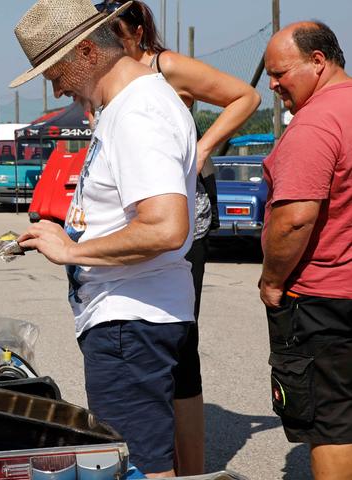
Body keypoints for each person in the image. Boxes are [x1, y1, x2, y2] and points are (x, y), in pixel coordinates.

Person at [11, 0, 196, 476]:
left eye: (55, 74)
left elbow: (165, 226)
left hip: (128, 321)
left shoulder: (138, 112)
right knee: (144, 455)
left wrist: (72, 250)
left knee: (138, 465)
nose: (57, 88)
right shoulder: (128, 106)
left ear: (88, 51)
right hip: (132, 317)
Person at [100, 0, 262, 474]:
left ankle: (190, 469)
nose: (104, 47)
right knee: (135, 333)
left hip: (184, 217)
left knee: (179, 343)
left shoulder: (163, 66)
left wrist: (202, 147)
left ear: (134, 32)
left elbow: (245, 97)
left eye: (112, 35)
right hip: (138, 216)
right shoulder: (110, 80)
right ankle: (149, 456)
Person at [260, 21, 352, 480]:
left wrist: (272, 280)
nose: (274, 85)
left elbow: (295, 217)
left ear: (318, 62)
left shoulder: (316, 122)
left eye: (280, 74)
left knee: (332, 424)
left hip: (325, 300)